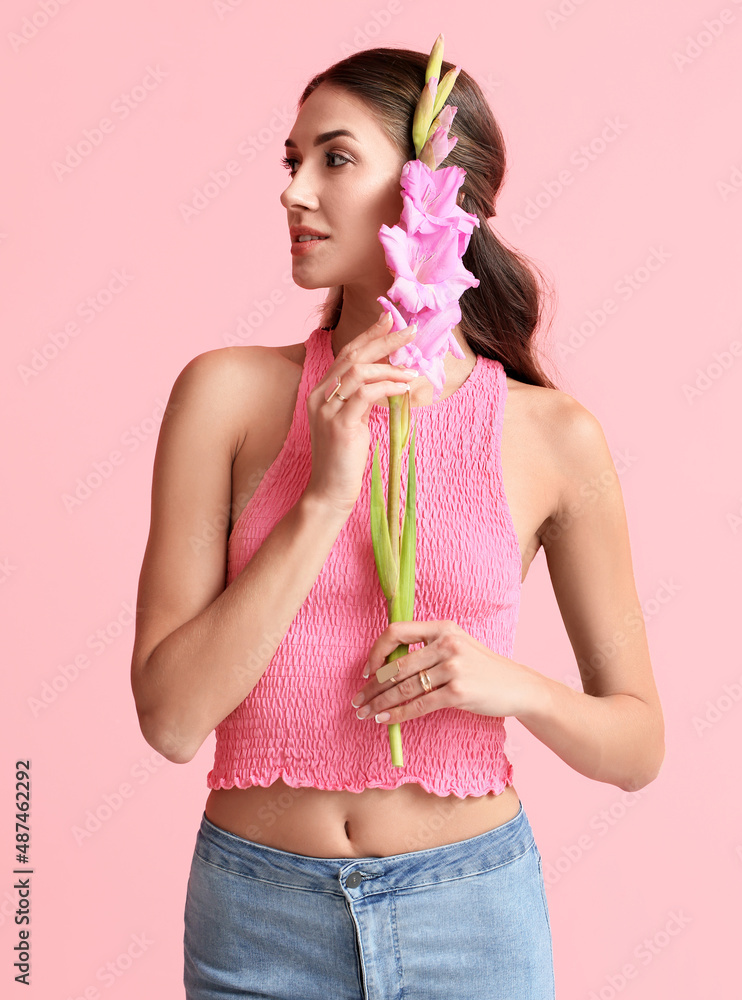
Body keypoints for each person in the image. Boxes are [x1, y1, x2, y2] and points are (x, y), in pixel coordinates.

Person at [130, 43, 665, 1000]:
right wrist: (325, 496)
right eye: (290, 162)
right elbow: (172, 721)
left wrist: (511, 686)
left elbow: (637, 744)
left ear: (433, 194)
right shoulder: (225, 397)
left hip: (472, 913)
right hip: (258, 913)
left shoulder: (555, 437)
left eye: (333, 159)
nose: (294, 192)